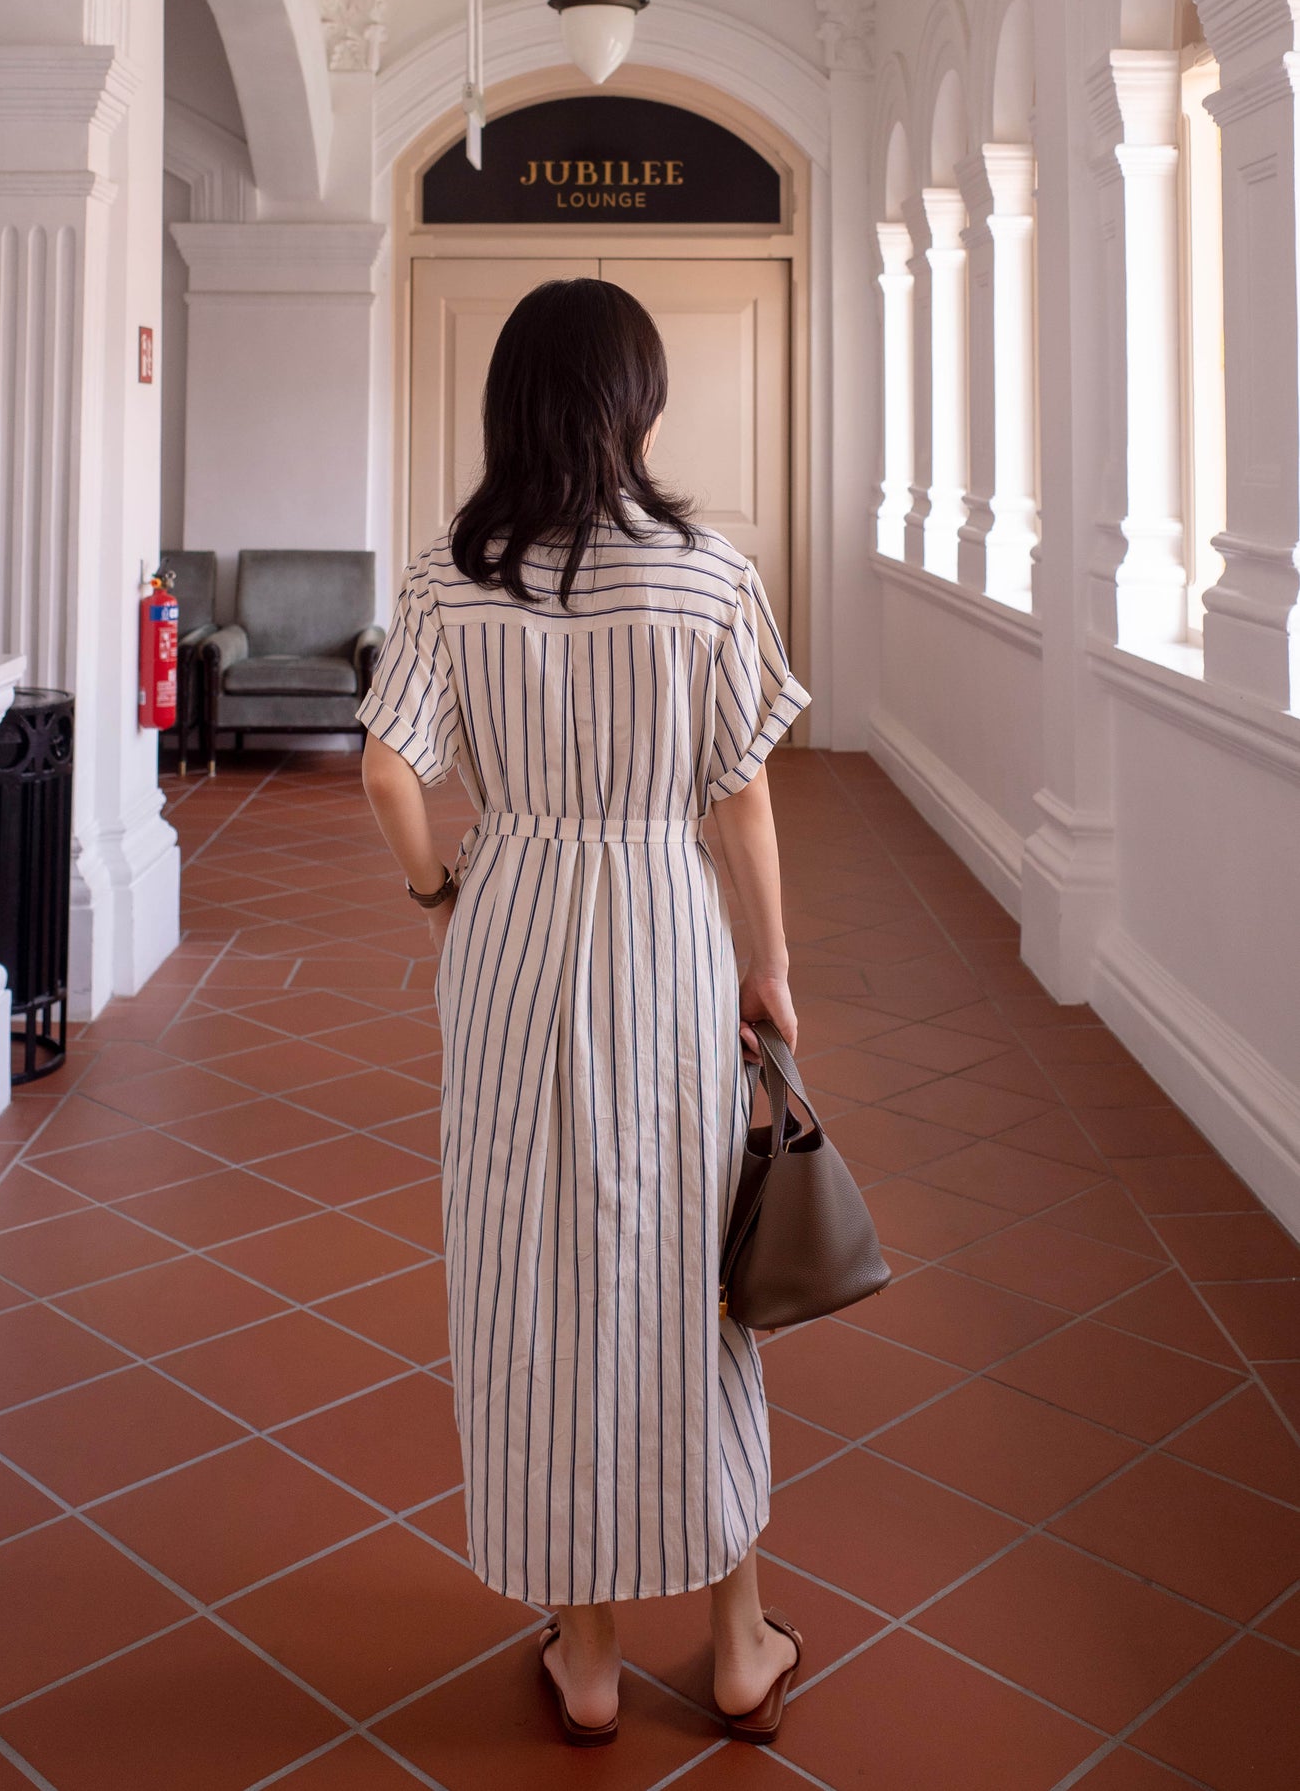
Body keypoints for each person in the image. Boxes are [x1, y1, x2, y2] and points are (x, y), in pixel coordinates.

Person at [358, 277, 811, 1747]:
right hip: (661, 934)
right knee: (692, 1269)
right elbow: (739, 800)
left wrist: (439, 890)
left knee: (527, 1270)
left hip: (510, 930)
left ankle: (593, 1656)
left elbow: (385, 774)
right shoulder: (707, 572)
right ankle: (738, 1643)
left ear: (510, 405)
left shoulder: (447, 571)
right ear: (640, 403)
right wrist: (768, 967)